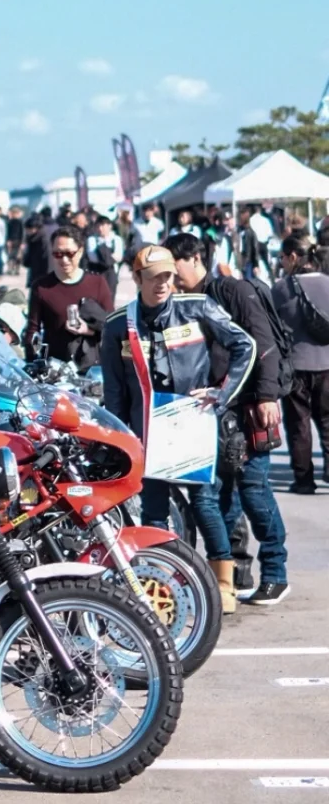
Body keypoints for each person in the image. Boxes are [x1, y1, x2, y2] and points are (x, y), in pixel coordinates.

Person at [101, 245, 257, 613]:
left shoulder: (196, 307)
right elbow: (114, 391)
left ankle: (223, 583)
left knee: (204, 503)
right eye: (154, 277)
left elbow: (244, 345)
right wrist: (120, 439)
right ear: (137, 279)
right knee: (154, 511)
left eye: (168, 276)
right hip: (147, 430)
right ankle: (160, 584)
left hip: (191, 424)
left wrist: (222, 393)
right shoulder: (117, 325)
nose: (163, 284)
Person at [164, 232, 290, 606]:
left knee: (254, 490)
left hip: (249, 406)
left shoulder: (231, 290)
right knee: (221, 498)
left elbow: (261, 341)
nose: (169, 278)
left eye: (174, 268)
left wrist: (267, 395)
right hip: (209, 413)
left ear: (195, 258)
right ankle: (232, 575)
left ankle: (276, 573)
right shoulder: (179, 302)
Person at [272, 236, 329, 493]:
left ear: (293, 256)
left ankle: (304, 480)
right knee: (328, 421)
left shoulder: (282, 288)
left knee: (299, 425)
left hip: (295, 367)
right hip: (327, 366)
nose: (282, 263)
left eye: (283, 258)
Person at [24, 224, 114, 371]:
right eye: (58, 254)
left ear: (80, 252)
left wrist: (88, 330)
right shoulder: (41, 287)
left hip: (91, 367)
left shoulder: (97, 283)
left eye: (69, 253)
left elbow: (112, 326)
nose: (64, 260)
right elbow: (32, 331)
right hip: (55, 370)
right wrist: (32, 362)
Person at [85, 216, 124, 297]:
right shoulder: (91, 239)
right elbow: (93, 258)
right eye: (98, 226)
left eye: (103, 225)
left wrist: (103, 254)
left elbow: (118, 257)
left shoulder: (116, 239)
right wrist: (109, 256)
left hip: (112, 272)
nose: (100, 228)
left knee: (110, 296)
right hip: (96, 271)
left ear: (109, 226)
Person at [22, 213, 51, 285]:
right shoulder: (33, 238)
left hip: (42, 273)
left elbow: (47, 258)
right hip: (35, 270)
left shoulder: (42, 239)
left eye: (27, 230)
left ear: (34, 228)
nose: (26, 232)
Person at [5, 206, 24, 276]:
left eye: (15, 213)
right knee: (11, 256)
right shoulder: (10, 222)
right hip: (11, 241)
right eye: (13, 213)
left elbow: (22, 233)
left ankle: (17, 270)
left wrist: (22, 243)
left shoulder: (20, 222)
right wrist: (8, 241)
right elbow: (8, 232)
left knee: (18, 257)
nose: (14, 214)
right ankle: (10, 269)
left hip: (18, 241)